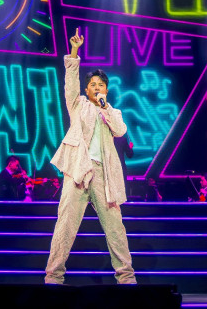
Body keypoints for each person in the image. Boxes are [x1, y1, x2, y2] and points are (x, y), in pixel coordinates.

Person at [44, 29, 135, 285]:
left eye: (101, 85)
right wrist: (74, 52)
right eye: (93, 85)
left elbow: (120, 131)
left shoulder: (112, 111)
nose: (97, 88)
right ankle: (53, 277)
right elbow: (70, 83)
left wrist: (105, 108)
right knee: (65, 224)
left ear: (107, 89)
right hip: (77, 170)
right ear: (86, 89)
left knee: (115, 227)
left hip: (103, 175)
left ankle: (126, 277)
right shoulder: (78, 105)